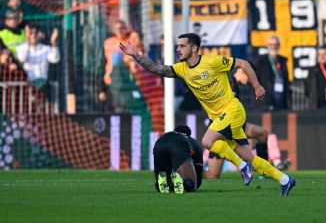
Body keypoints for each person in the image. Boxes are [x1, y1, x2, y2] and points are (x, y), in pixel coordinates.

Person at [121, 33, 296, 197]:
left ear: (194, 48)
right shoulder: (182, 69)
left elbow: (244, 63)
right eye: (178, 46)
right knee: (250, 157)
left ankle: (243, 167)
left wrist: (256, 86)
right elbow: (157, 69)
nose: (178, 49)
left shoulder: (213, 62)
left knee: (207, 141)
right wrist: (135, 55)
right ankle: (285, 180)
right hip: (220, 117)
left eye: (182, 46)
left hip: (232, 110)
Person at [153, 125, 203, 194]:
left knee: (163, 178)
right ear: (189, 134)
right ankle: (180, 181)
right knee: (191, 185)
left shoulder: (168, 135)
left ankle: (166, 183)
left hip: (160, 143)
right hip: (178, 144)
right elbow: (199, 174)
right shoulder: (193, 141)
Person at [16, 25, 59, 94]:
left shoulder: (46, 48)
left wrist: (53, 43)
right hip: (27, 85)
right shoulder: (21, 48)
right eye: (30, 33)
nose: (33, 36)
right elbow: (21, 58)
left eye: (35, 33)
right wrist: (28, 43)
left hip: (43, 84)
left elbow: (55, 59)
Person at [253, 36, 291, 111]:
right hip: (265, 102)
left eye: (276, 44)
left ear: (279, 45)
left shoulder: (283, 61)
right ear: (267, 46)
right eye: (271, 45)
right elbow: (254, 79)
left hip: (281, 101)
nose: (273, 47)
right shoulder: (260, 61)